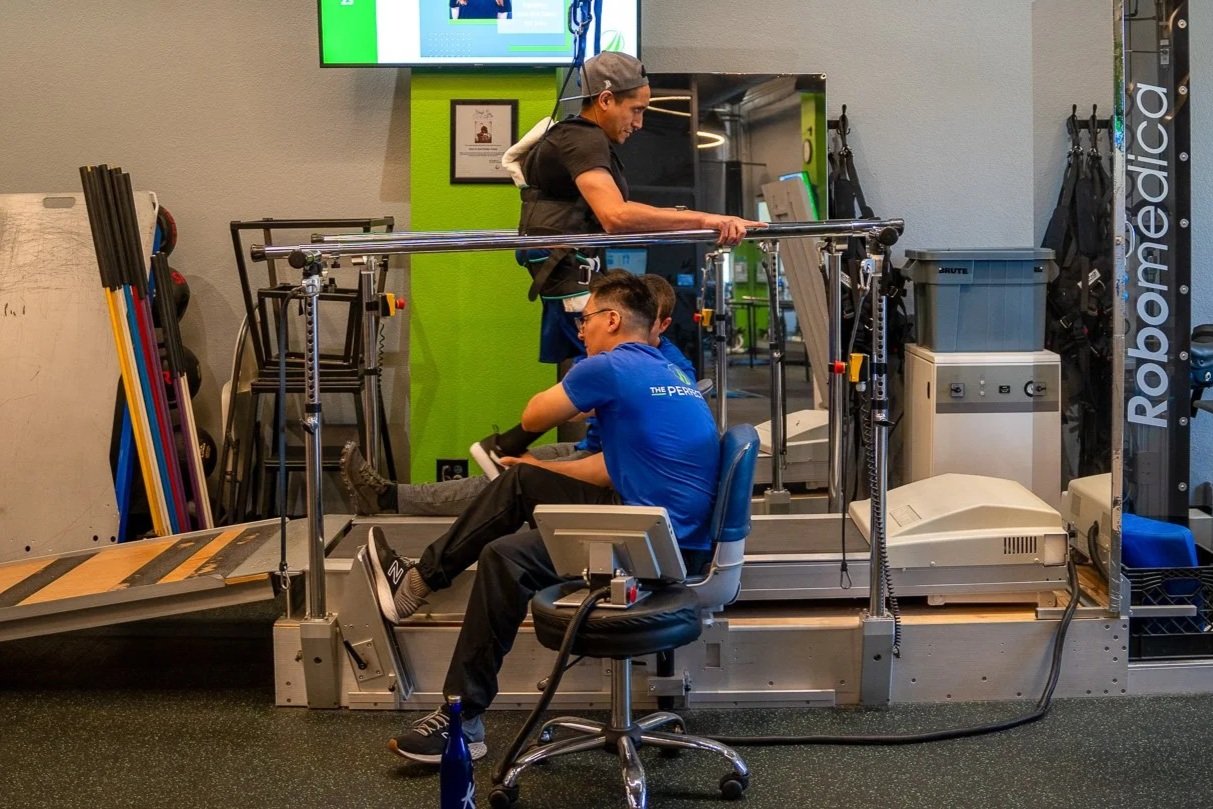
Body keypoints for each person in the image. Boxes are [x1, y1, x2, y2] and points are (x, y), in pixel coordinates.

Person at [365, 270, 720, 764]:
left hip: (647, 541)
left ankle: (461, 720)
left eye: (587, 317)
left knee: (504, 558)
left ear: (613, 320)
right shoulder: (670, 372)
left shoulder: (613, 366)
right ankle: (420, 581)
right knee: (521, 482)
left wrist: (578, 387)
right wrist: (533, 466)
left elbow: (533, 416)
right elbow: (608, 468)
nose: (581, 328)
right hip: (666, 531)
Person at [339, 274, 695, 517]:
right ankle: (396, 495)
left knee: (509, 479)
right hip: (591, 447)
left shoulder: (670, 369)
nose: (583, 332)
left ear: (660, 325)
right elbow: (569, 410)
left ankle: (388, 498)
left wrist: (537, 467)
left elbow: (615, 457)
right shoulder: (622, 361)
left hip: (611, 466)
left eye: (588, 321)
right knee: (501, 469)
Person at [509, 50, 763, 370]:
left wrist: (701, 217)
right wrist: (705, 219)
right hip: (567, 270)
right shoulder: (582, 140)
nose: (639, 123)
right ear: (605, 100)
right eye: (636, 110)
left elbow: (621, 207)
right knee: (621, 358)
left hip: (571, 266)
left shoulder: (579, 137)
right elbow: (615, 217)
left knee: (604, 360)